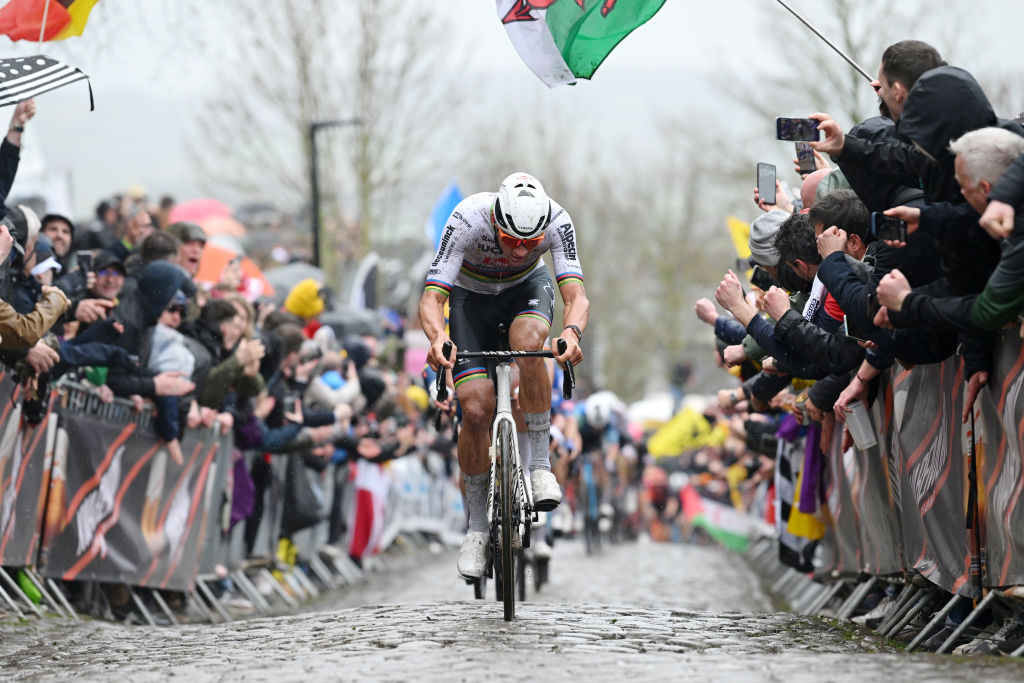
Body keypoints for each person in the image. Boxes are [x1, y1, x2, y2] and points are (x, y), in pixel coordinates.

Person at [418, 172, 588, 580]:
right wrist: (438, 336)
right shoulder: (466, 218)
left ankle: (540, 466)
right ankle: (476, 527)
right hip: (469, 300)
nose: (519, 249)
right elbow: (431, 297)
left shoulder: (558, 221)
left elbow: (575, 295)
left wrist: (571, 332)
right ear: (495, 220)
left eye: (530, 244)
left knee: (531, 342)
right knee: (474, 409)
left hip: (525, 289)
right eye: (511, 240)